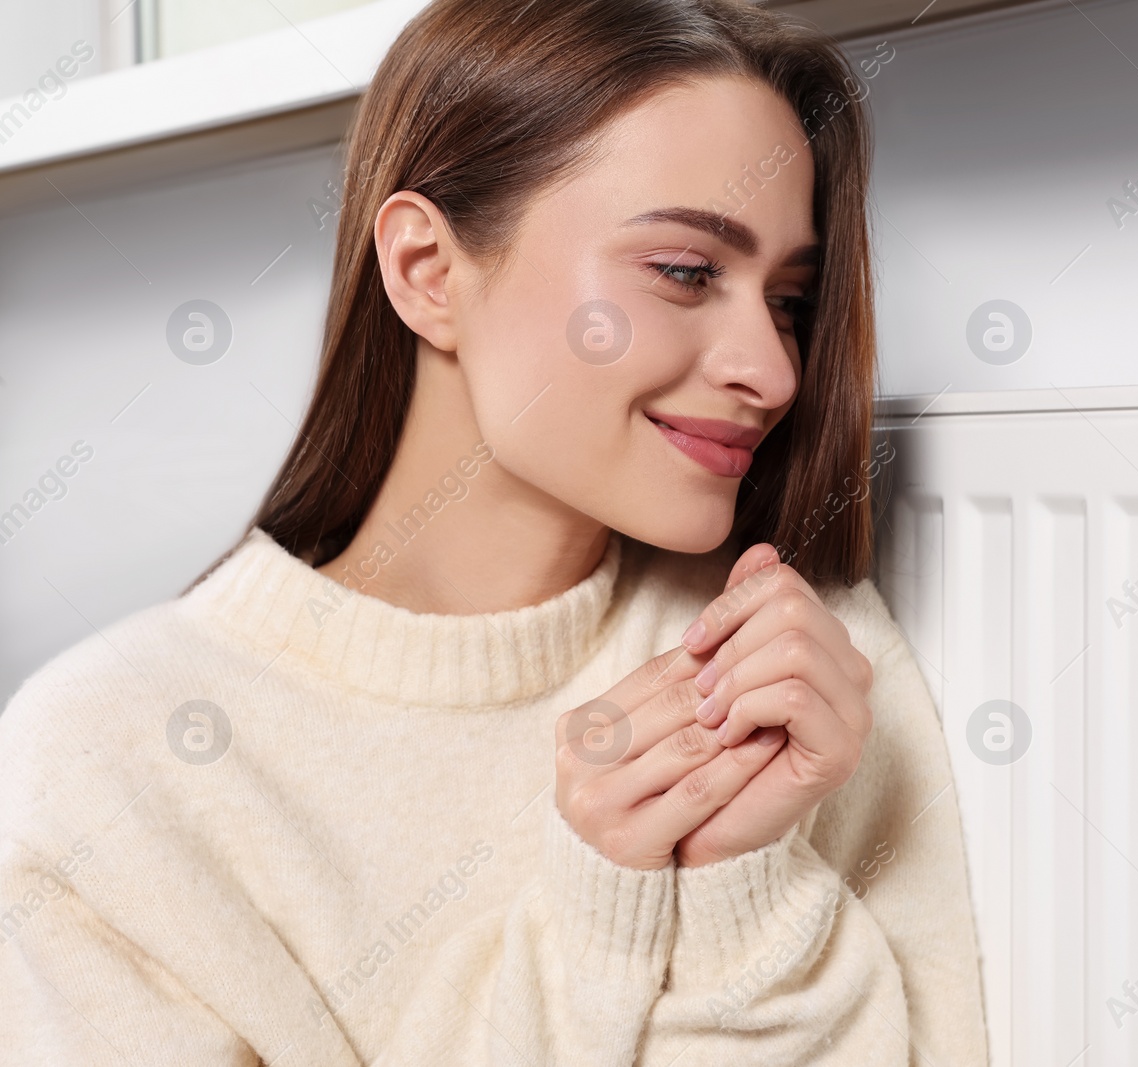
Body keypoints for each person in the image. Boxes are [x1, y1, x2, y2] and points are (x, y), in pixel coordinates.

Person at [0, 0, 987, 1062]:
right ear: (428, 270)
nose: (773, 368)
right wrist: (598, 919)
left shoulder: (795, 668)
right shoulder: (106, 765)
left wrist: (744, 886)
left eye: (788, 297)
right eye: (687, 272)